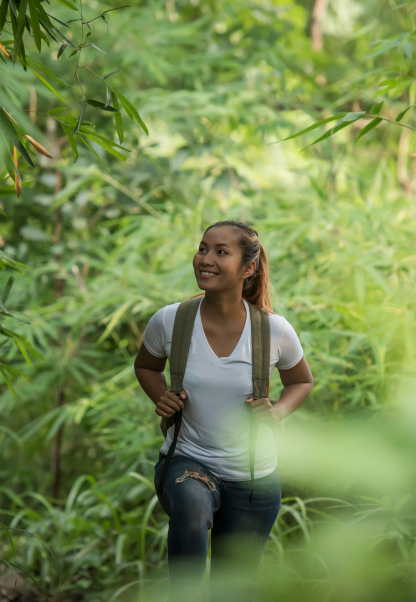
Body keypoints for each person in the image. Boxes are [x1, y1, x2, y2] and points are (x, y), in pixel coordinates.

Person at [133, 220, 313, 597]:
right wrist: (160, 396)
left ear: (248, 268)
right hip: (188, 460)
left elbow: (301, 381)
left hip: (254, 480)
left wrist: (277, 411)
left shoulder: (274, 330)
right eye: (202, 249)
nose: (206, 259)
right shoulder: (171, 320)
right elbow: (146, 366)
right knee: (192, 506)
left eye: (220, 252)